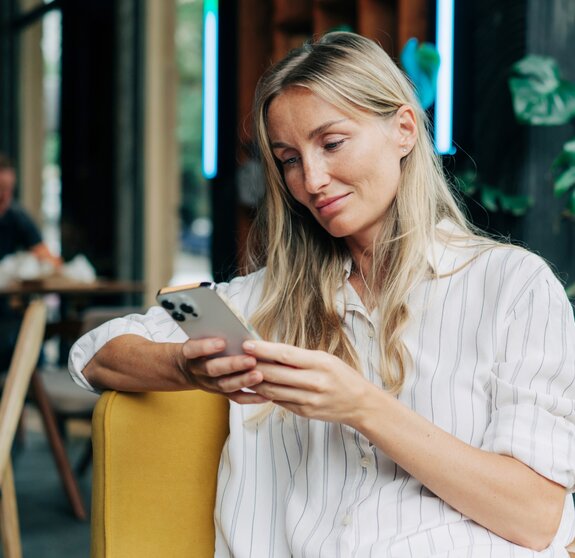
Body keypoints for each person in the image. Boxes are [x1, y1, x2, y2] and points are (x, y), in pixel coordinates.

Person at [69, 32, 575, 557]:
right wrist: (186, 369)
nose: (311, 180)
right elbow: (95, 354)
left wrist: (363, 407)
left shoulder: (512, 286)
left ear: (403, 130)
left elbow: (536, 517)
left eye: (331, 144)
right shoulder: (265, 301)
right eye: (288, 159)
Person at [0, 153, 61, 369]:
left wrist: (32, 260)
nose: (5, 197)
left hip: (7, 306)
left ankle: (34, 387)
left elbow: (51, 260)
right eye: (0, 190)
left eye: (9, 190)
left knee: (26, 332)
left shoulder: (16, 216)